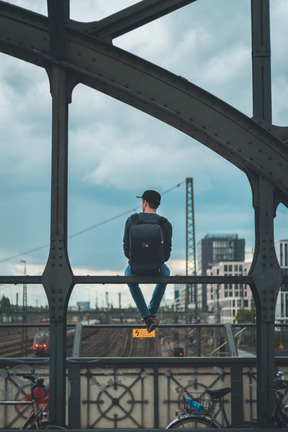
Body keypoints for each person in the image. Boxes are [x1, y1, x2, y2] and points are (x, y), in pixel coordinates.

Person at [123, 190, 172, 332]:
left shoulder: (131, 220)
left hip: (135, 269)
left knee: (129, 277)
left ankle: (146, 316)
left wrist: (137, 261)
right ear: (157, 204)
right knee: (166, 273)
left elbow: (127, 251)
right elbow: (166, 254)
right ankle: (152, 312)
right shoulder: (165, 224)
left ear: (144, 203)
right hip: (157, 269)